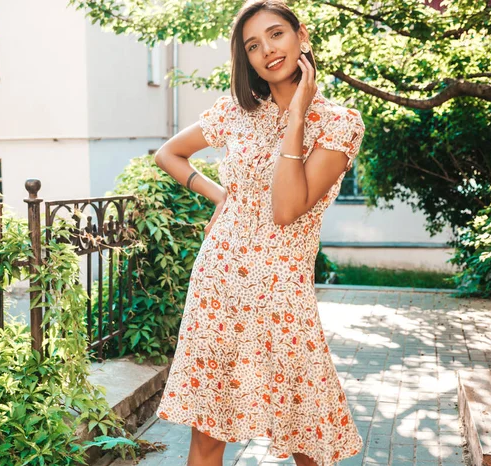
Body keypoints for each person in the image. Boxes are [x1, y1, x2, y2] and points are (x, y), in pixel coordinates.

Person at [154, 1, 365, 464]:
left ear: (300, 35)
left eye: (275, 35)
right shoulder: (236, 110)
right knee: (208, 435)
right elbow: (169, 154)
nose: (267, 50)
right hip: (219, 284)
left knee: (308, 434)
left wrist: (295, 117)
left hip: (282, 292)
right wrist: (221, 195)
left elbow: (288, 208)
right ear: (245, 59)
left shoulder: (340, 123)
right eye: (253, 46)